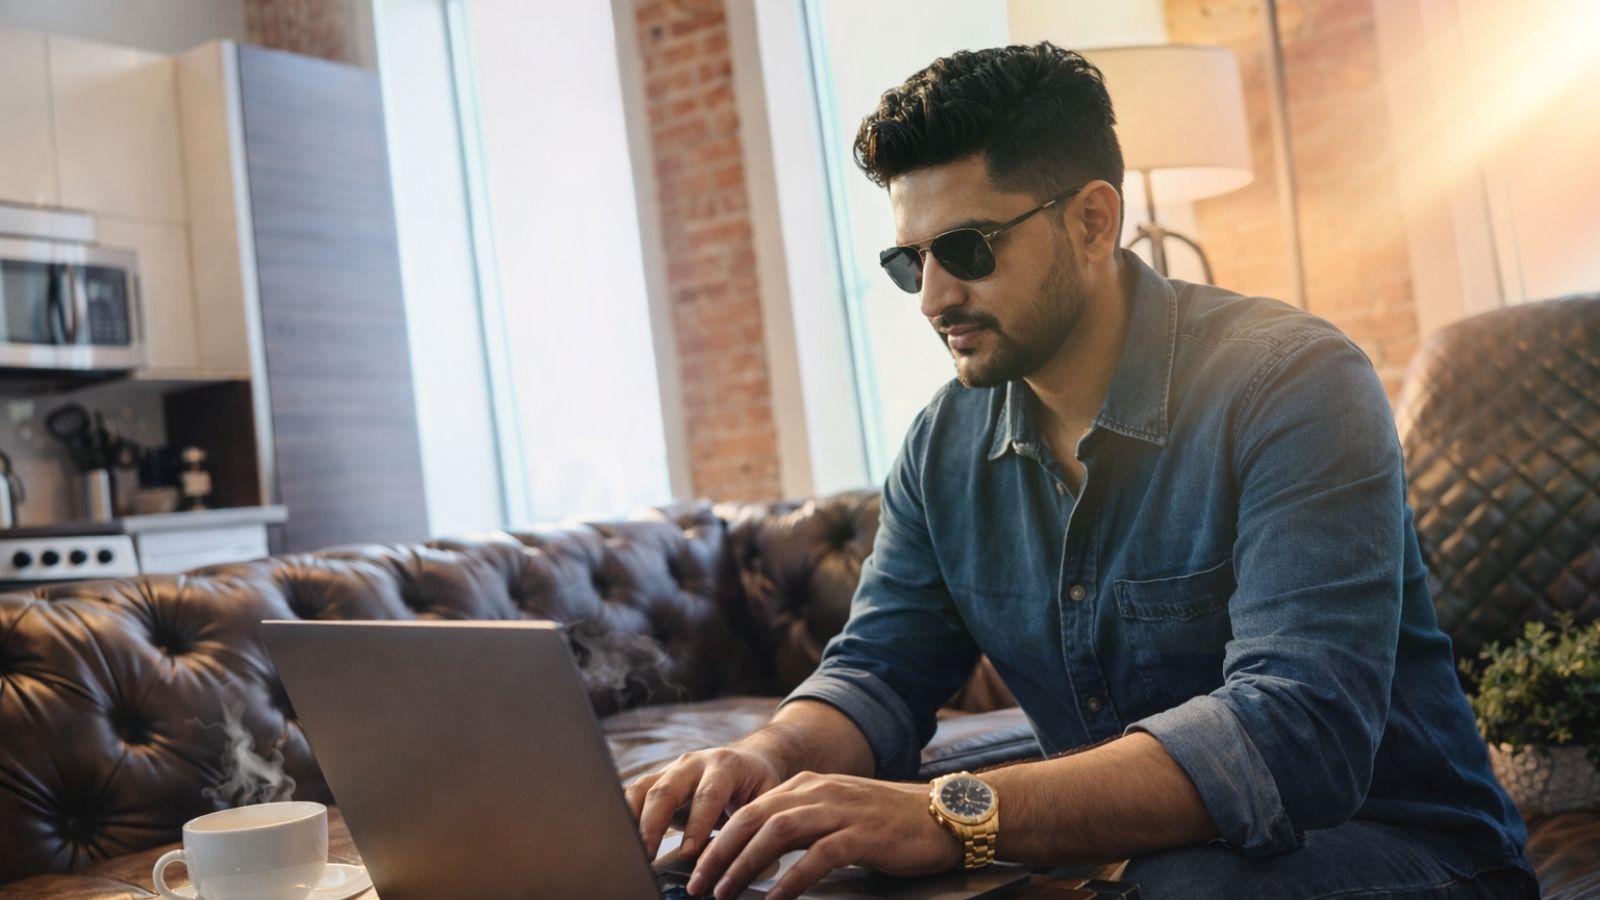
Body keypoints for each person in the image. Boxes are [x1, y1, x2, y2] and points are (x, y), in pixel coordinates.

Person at [625, 42, 1537, 900]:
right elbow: (878, 672)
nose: (936, 297)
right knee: (784, 846)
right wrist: (771, 756)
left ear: (1094, 221)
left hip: (1407, 844)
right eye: (913, 261)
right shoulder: (941, 443)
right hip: (1142, 853)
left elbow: (1297, 734)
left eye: (970, 249)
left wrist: (958, 818)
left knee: (1177, 887)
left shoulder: (1293, 383)